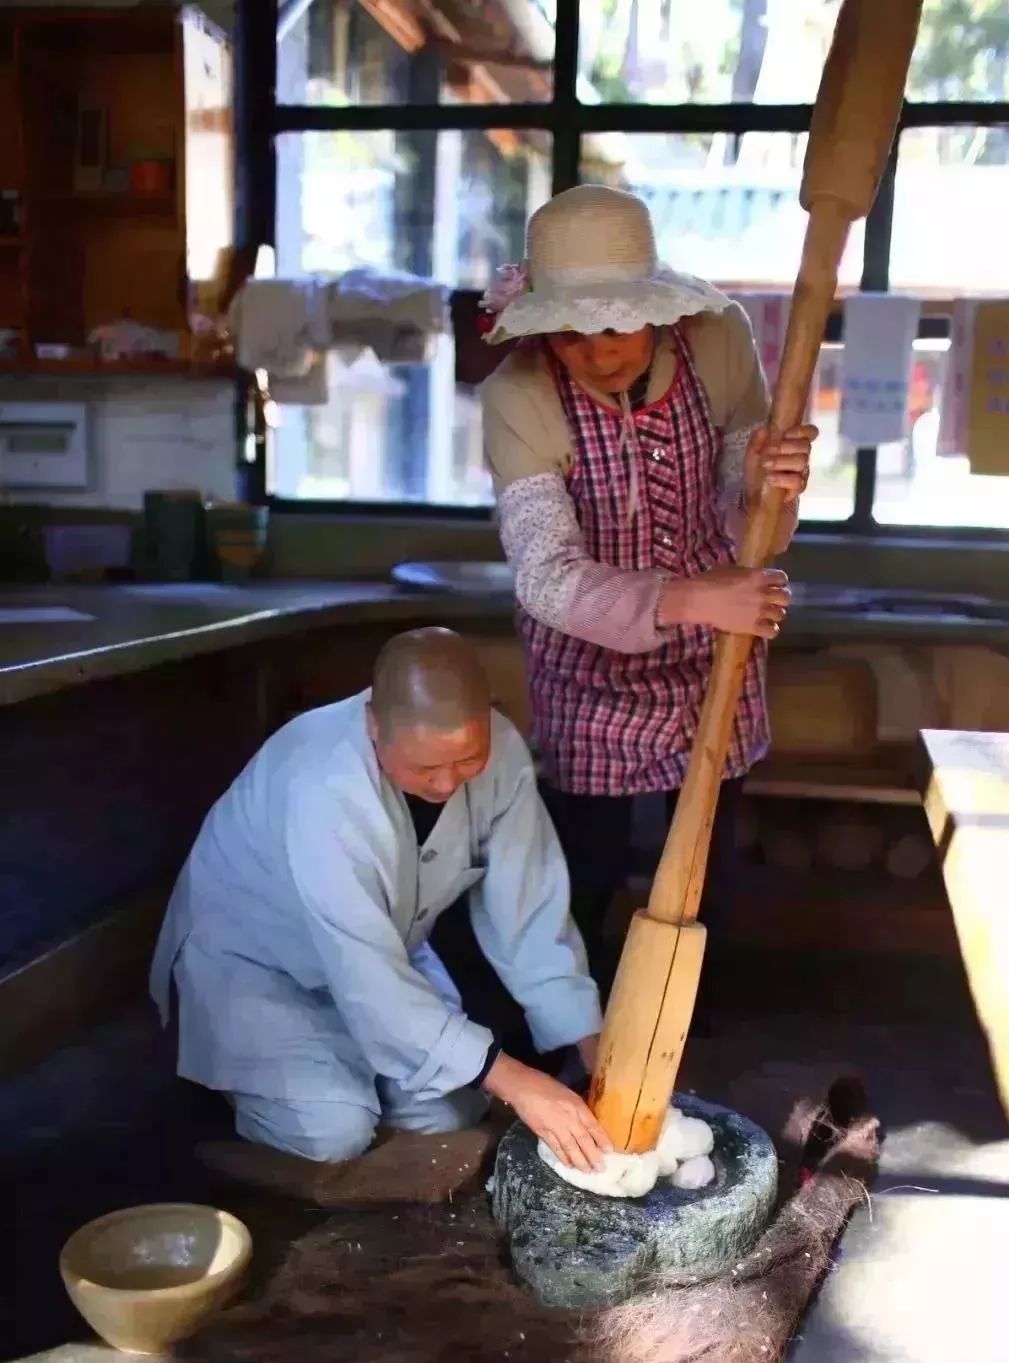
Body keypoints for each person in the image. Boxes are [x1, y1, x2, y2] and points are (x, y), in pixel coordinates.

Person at [481, 184, 817, 988]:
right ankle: (569, 1033)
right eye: (570, 334)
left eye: (617, 324)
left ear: (656, 307)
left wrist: (770, 481)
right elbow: (545, 574)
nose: (599, 352)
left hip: (715, 659)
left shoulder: (718, 338)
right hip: (586, 666)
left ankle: (688, 1034)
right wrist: (696, 596)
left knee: (704, 870)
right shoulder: (516, 393)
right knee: (580, 875)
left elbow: (744, 503)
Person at [150, 627, 610, 1176]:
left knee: (449, 1115)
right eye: (423, 767)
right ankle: (242, 1081)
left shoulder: (505, 753)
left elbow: (528, 907)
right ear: (374, 724)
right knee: (334, 1133)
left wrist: (592, 1046)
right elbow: (365, 978)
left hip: (386, 948)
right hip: (256, 963)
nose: (445, 783)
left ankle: (347, 1069)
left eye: (468, 759)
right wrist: (520, 1083)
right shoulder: (324, 785)